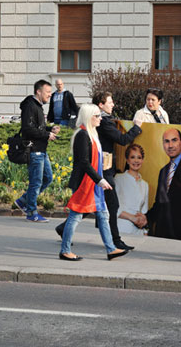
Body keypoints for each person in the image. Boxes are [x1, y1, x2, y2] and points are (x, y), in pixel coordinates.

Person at [55, 91, 142, 250]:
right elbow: (123, 140)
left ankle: (67, 230)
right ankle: (113, 243)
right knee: (110, 206)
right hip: (100, 172)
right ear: (100, 105)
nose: (113, 104)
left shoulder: (101, 122)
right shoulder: (101, 124)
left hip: (100, 172)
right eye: (110, 102)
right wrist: (137, 127)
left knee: (95, 207)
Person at [59, 104, 129, 261]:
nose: (100, 118)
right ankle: (65, 251)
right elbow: (84, 162)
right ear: (88, 117)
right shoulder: (82, 135)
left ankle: (111, 249)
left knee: (103, 215)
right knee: (75, 217)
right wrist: (100, 180)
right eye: (97, 116)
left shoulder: (91, 134)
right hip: (85, 184)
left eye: (100, 115)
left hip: (92, 184)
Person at [15, 79, 60, 222]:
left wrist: (49, 129)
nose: (50, 95)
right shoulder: (30, 106)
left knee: (48, 178)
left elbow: (36, 127)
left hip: (41, 150)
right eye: (47, 92)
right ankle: (31, 212)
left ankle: (23, 201)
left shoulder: (38, 106)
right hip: (34, 151)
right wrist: (47, 134)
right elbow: (28, 129)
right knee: (36, 182)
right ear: (38, 92)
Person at [115, 144, 148, 236]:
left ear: (142, 160)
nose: (136, 161)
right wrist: (132, 218)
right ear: (127, 160)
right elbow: (113, 207)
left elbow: (144, 211)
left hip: (138, 231)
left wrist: (145, 231)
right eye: (132, 157)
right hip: (121, 228)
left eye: (139, 157)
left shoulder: (145, 185)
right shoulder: (119, 179)